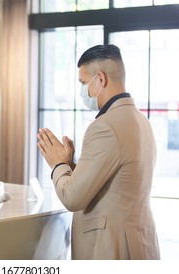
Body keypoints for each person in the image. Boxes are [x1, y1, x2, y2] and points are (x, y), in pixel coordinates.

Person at [37, 44, 160, 259]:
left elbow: (72, 198)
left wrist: (59, 164)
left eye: (84, 83)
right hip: (140, 242)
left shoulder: (105, 126)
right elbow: (117, 184)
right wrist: (73, 167)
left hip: (112, 247)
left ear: (100, 79)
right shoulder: (141, 121)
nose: (83, 90)